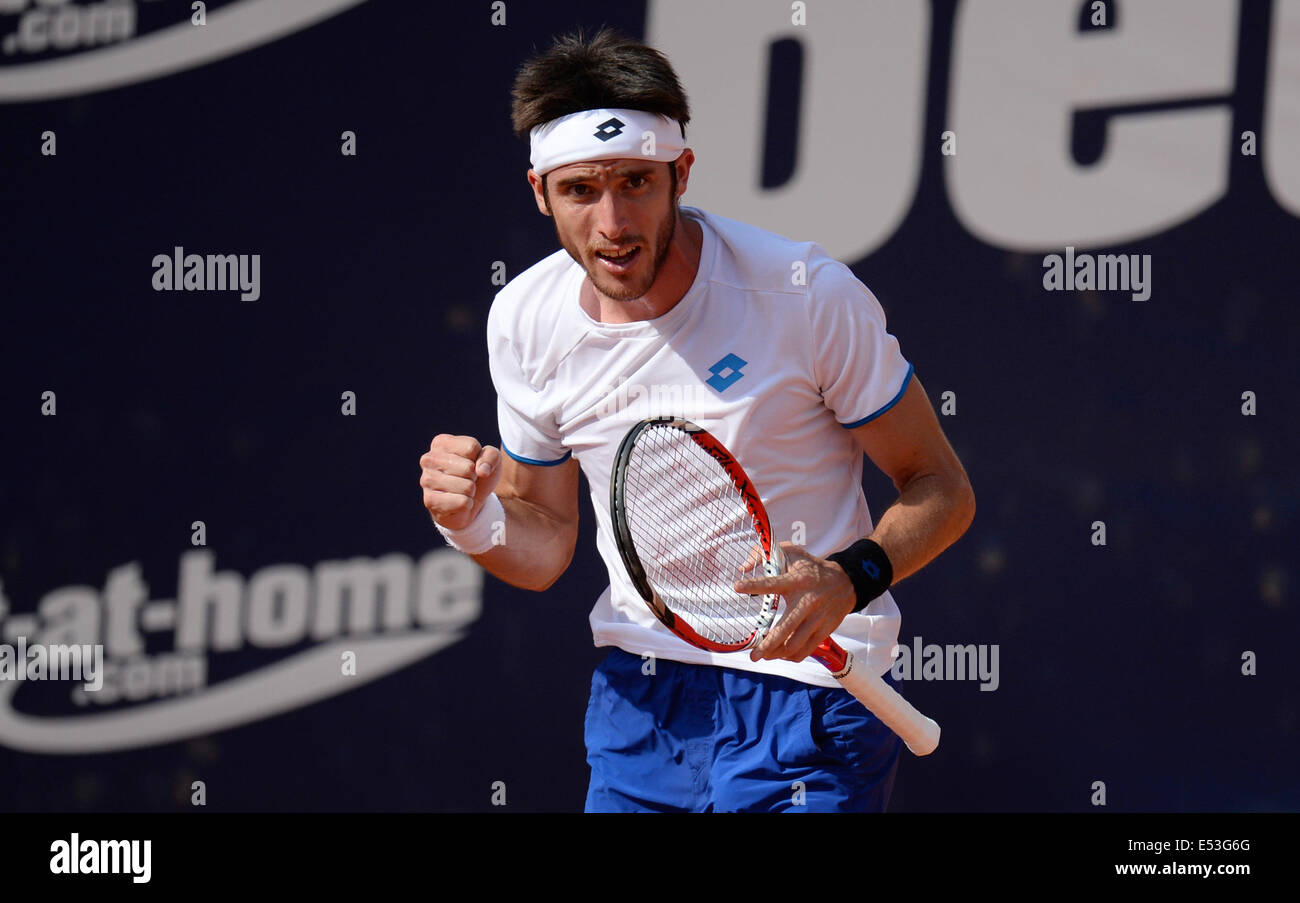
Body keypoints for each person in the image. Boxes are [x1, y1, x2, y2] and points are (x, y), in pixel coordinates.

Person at [419, 27, 974, 812]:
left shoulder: (805, 294)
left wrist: (853, 577)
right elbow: (543, 543)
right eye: (580, 190)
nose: (612, 221)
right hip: (641, 703)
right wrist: (473, 520)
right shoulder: (523, 319)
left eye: (636, 182)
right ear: (540, 191)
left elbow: (942, 487)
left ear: (681, 172)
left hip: (814, 699)